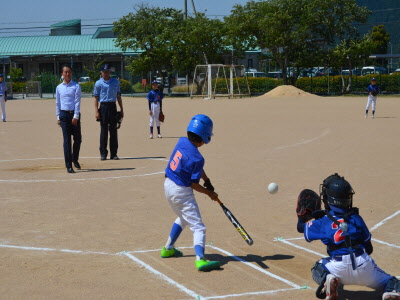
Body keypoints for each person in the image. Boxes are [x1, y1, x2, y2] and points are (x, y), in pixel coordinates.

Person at [297, 173, 400, 300]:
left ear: (328, 199)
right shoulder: (356, 218)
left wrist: (302, 216)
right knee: (391, 281)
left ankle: (328, 280)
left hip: (338, 269)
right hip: (363, 266)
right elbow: (369, 249)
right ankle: (391, 291)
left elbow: (300, 228)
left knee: (317, 267)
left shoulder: (323, 221)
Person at [161, 114, 221, 272]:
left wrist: (207, 181)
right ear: (204, 137)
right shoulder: (198, 158)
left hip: (168, 185)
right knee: (198, 227)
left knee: (183, 218)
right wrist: (209, 193)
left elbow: (197, 170)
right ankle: (200, 259)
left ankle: (168, 248)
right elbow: (193, 184)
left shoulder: (181, 141)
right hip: (182, 191)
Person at [93, 64, 124, 160]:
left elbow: (118, 96)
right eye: (104, 72)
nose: (106, 74)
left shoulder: (115, 82)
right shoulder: (98, 83)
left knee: (113, 131)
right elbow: (96, 98)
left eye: (107, 72)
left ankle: (114, 153)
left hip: (112, 106)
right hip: (103, 107)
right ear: (101, 73)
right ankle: (103, 153)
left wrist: (121, 109)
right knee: (104, 131)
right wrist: (96, 111)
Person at [55, 65, 82, 174]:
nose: (67, 74)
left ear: (71, 73)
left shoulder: (76, 86)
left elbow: (77, 102)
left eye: (69, 72)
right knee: (67, 141)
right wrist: (58, 117)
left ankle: (74, 158)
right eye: (65, 72)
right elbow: (57, 103)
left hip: (74, 115)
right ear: (62, 74)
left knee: (78, 139)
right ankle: (68, 165)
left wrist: (75, 116)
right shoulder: (59, 87)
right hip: (64, 115)